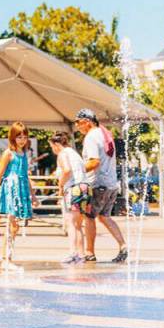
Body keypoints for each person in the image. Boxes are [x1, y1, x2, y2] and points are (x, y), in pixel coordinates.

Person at [75, 109, 128, 264]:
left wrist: (77, 171)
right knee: (104, 216)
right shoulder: (105, 133)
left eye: (78, 122)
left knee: (89, 217)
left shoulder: (91, 137)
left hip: (98, 184)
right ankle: (123, 245)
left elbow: (94, 161)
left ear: (87, 121)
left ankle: (89, 253)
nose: (77, 126)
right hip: (111, 183)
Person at [0, 122, 39, 272]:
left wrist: (33, 196)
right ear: (13, 137)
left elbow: (25, 176)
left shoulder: (24, 154)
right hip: (11, 189)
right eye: (19, 137)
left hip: (21, 189)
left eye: (24, 137)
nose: (22, 140)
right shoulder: (8, 153)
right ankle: (6, 259)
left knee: (15, 226)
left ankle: (7, 256)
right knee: (11, 224)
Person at [51, 131, 88, 264]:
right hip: (84, 188)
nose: (52, 150)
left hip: (73, 189)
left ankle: (73, 253)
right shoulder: (73, 152)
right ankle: (81, 254)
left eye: (51, 147)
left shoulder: (62, 153)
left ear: (56, 144)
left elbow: (67, 170)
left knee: (70, 223)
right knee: (78, 225)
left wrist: (60, 185)